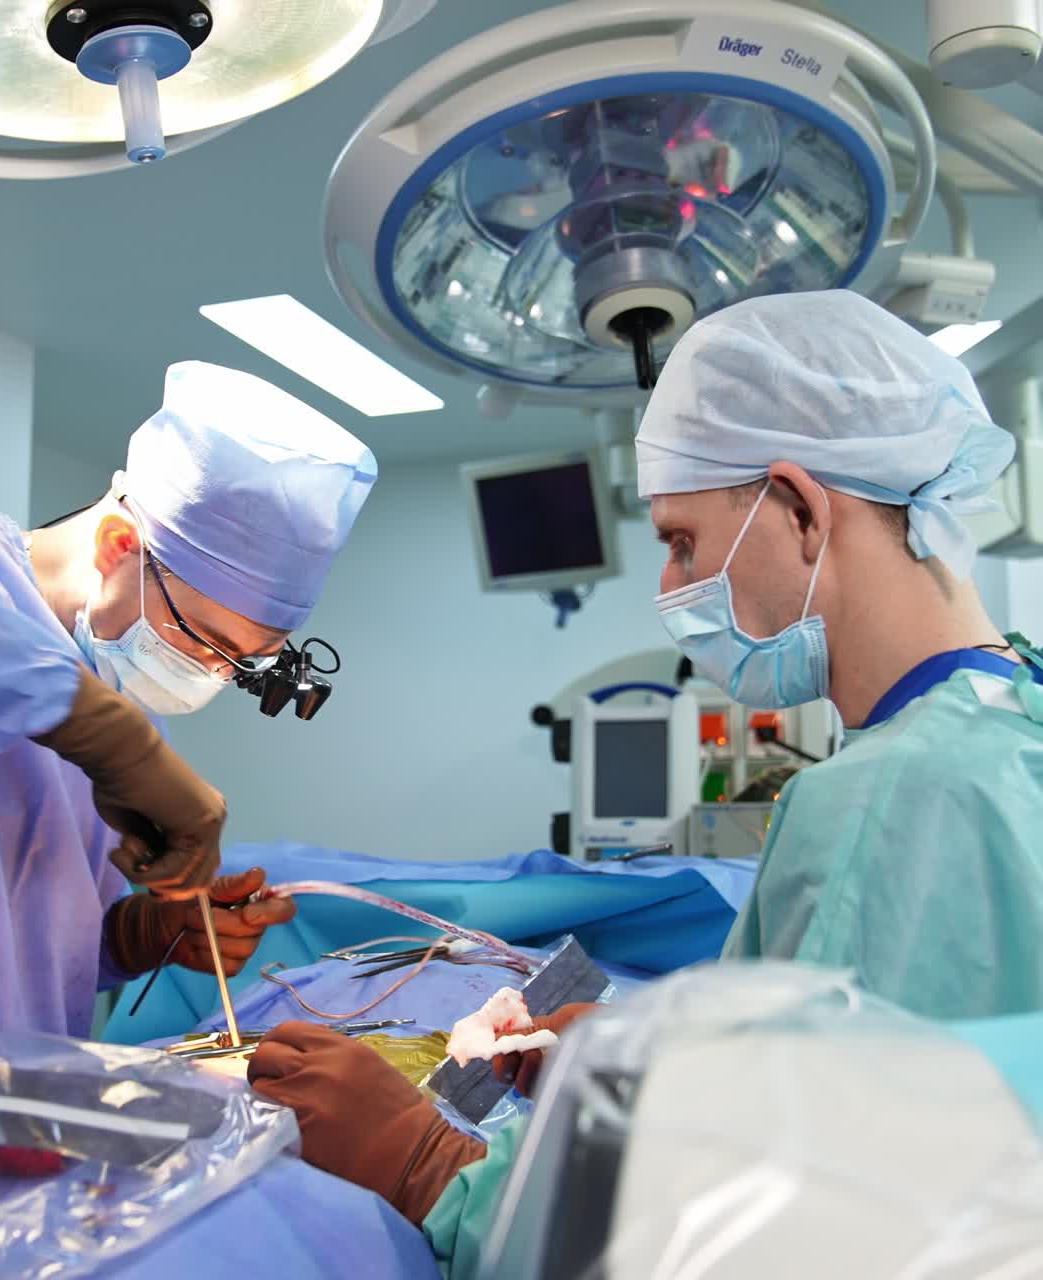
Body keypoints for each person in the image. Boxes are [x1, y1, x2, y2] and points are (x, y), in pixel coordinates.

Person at [243, 289, 1043, 1274]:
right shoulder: (1009, 723)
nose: (669, 590)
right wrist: (645, 1064)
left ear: (796, 507)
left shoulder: (899, 798)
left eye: (678, 542)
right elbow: (902, 1084)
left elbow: (802, 1227)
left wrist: (428, 1163)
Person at [0, 358, 377, 1113]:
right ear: (120, 544)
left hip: (1, 1148)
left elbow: (11, 951)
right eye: (205, 642)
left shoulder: (110, 703)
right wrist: (106, 735)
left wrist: (140, 934)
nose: (213, 678)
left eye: (243, 665)